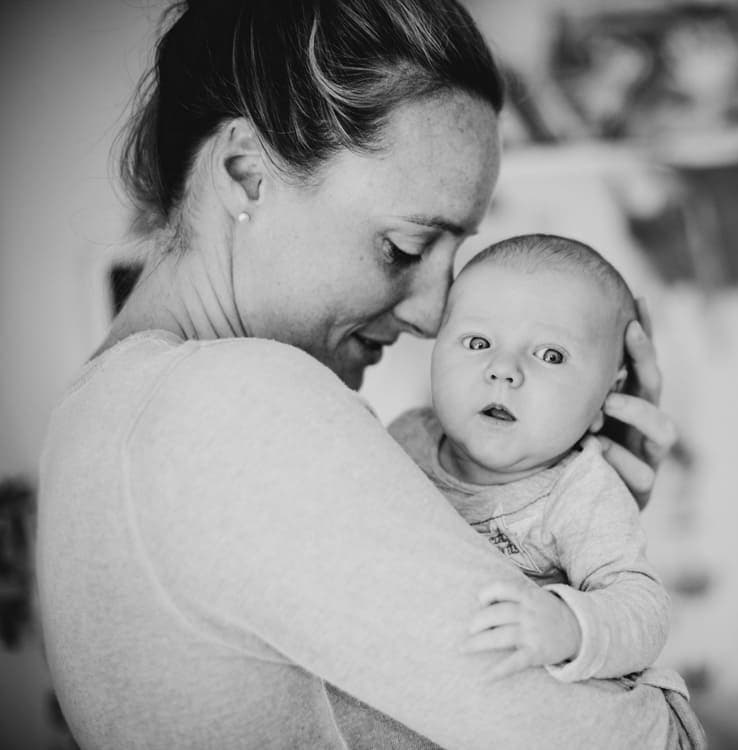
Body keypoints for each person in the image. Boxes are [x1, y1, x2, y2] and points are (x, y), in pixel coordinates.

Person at [35, 1, 702, 748]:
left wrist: (556, 515)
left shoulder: (92, 418)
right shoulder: (232, 402)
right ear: (247, 173)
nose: (436, 314)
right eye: (405, 247)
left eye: (456, 253)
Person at [391, 234, 685, 691]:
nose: (503, 369)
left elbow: (645, 609)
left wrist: (570, 626)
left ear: (608, 395)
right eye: (477, 341)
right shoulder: (405, 437)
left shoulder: (581, 492)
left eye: (551, 355)